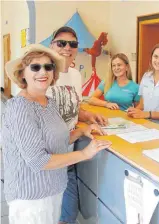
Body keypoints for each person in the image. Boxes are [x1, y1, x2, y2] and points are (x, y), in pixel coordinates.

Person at [2, 44, 112, 224]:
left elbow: (55, 141)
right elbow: (38, 160)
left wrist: (81, 131)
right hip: (31, 197)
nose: (42, 72)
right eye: (35, 67)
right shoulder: (20, 108)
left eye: (48, 66)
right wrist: (84, 154)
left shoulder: (49, 102)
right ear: (22, 74)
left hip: (53, 189)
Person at [47, 26, 108, 224]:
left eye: (72, 44)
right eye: (61, 43)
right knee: (46, 211)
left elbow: (74, 106)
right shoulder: (43, 74)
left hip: (68, 154)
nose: (67, 47)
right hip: (46, 157)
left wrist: (89, 115)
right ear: (51, 45)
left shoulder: (75, 76)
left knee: (68, 214)